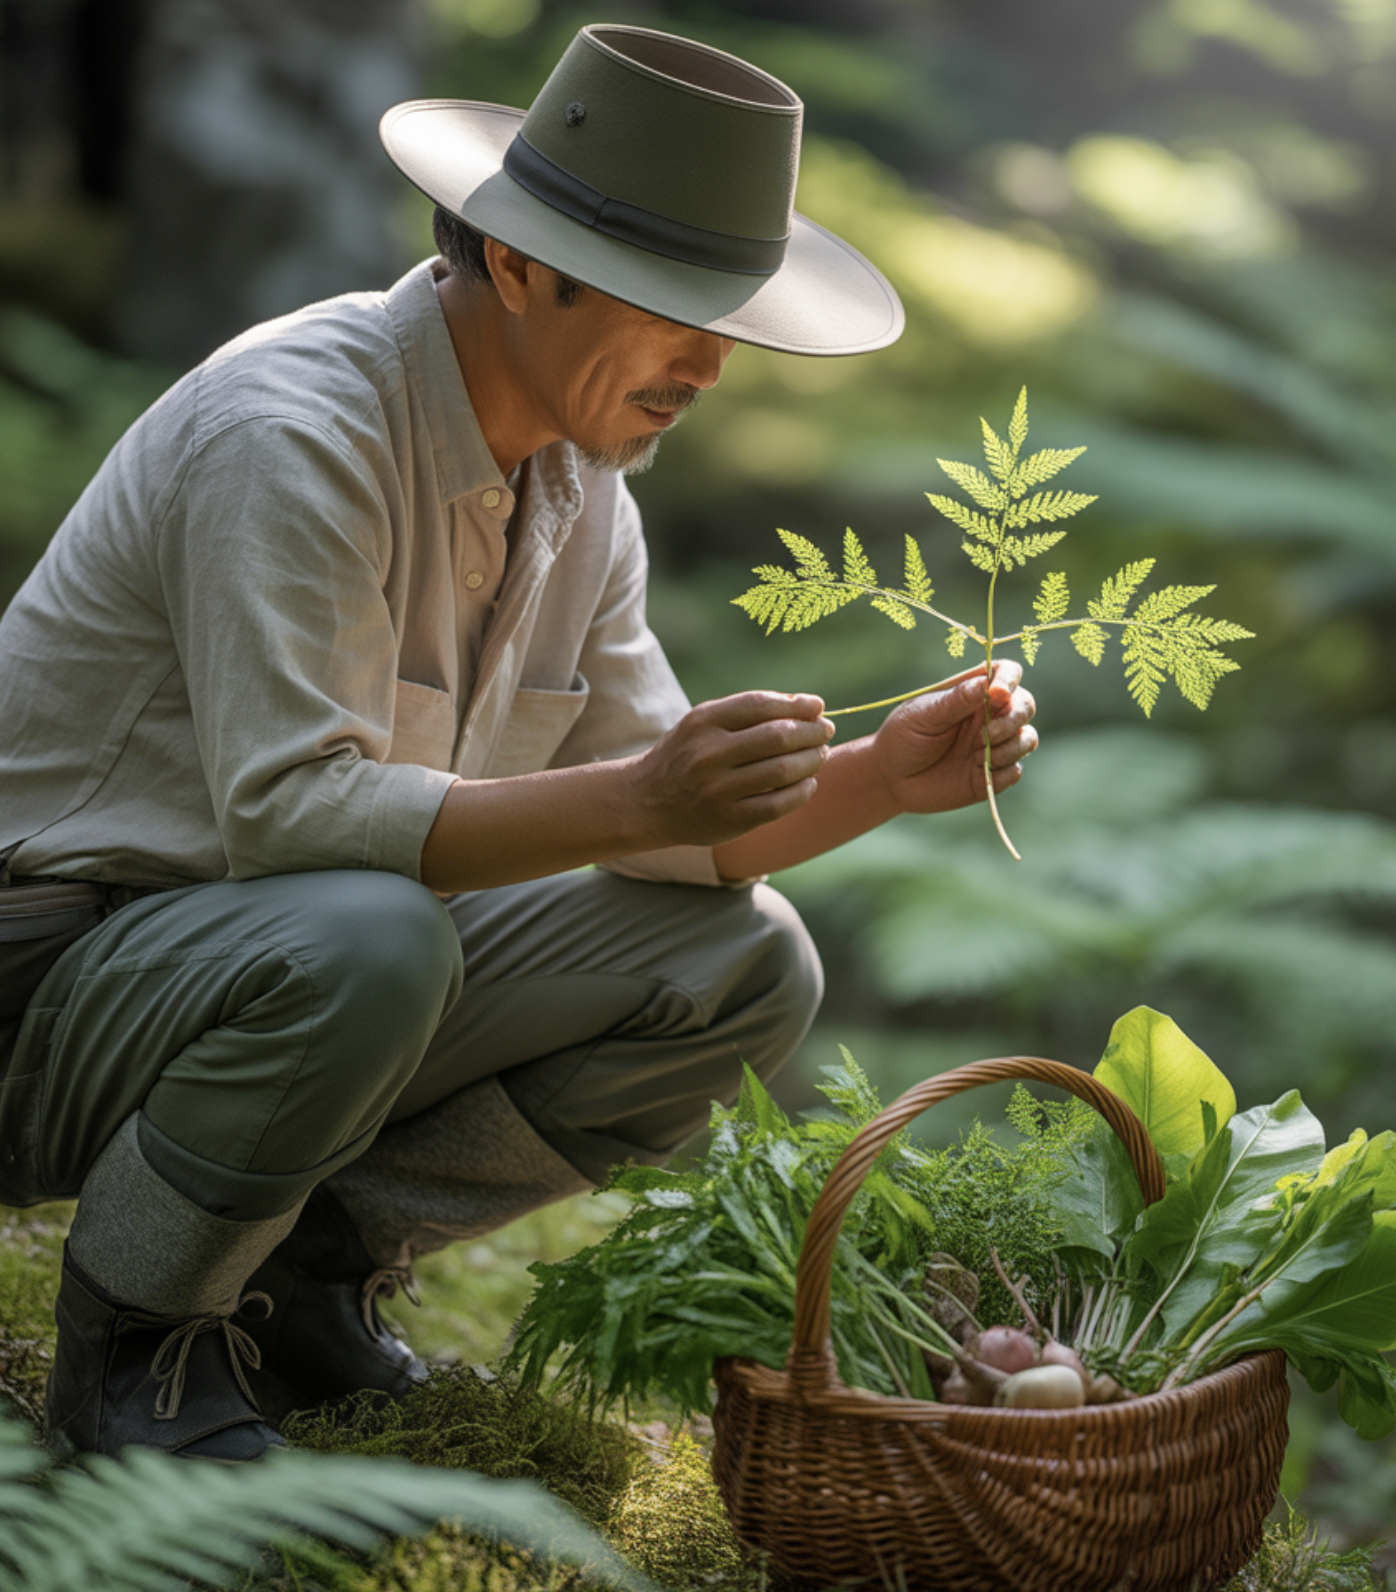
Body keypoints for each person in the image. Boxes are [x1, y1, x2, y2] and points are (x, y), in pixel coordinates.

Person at [0, 23, 1037, 1463]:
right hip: (43, 973)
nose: (712, 364)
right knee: (377, 937)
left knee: (739, 965)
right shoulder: (290, 429)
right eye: (676, 307)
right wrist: (636, 796)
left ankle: (298, 1285)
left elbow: (683, 835)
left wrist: (880, 778)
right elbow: (294, 822)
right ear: (519, 262)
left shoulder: (575, 486)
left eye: (726, 316)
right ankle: (136, 1350)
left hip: (256, 972)